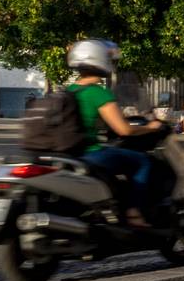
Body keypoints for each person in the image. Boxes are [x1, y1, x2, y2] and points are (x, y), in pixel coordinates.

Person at [66, 39, 166, 226]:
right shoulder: (98, 93)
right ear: (99, 61)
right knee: (142, 161)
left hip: (70, 153)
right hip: (90, 154)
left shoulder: (69, 90)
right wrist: (150, 127)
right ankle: (133, 211)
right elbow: (124, 129)